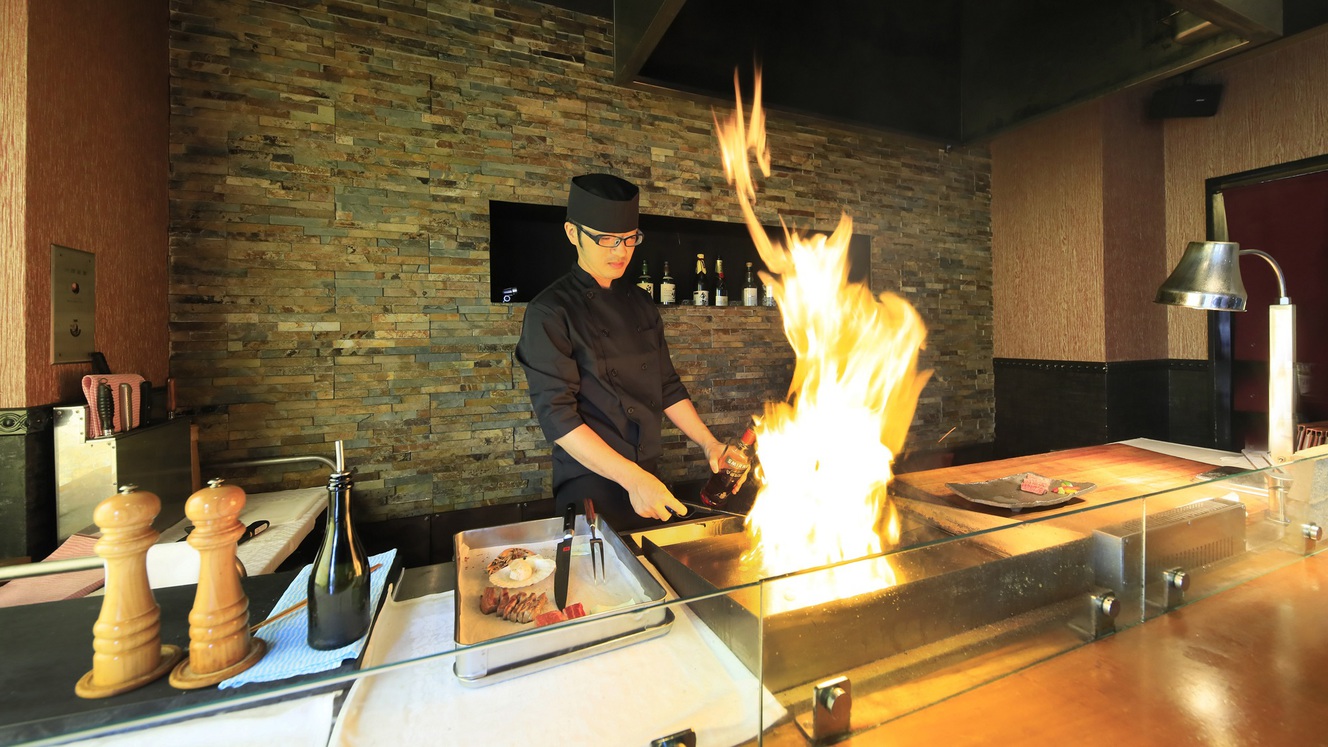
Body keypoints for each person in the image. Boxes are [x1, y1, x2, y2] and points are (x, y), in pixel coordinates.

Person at [516, 173, 741, 531]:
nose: (621, 251)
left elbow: (666, 386)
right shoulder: (549, 312)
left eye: (629, 239)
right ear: (573, 233)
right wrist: (631, 478)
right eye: (606, 239)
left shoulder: (641, 303)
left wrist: (708, 443)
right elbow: (558, 418)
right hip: (589, 483)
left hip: (646, 476)